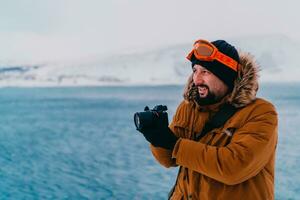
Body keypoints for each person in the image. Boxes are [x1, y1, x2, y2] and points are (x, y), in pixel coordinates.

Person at [137, 39, 278, 200]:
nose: (197, 80)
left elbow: (234, 168)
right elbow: (169, 159)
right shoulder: (189, 107)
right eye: (195, 71)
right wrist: (157, 137)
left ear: (227, 76)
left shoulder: (261, 112)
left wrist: (174, 144)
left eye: (205, 72)